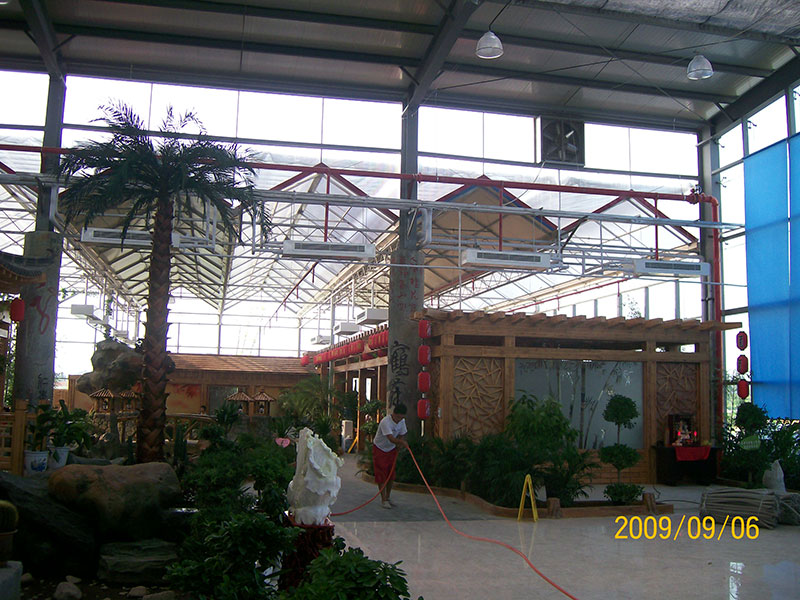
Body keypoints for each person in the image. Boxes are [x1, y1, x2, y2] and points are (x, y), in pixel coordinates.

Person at [372, 403, 408, 509]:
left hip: (391, 449)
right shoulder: (385, 422)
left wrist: (399, 444)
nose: (399, 420)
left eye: (402, 418)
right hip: (380, 448)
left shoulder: (402, 421)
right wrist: (401, 443)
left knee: (391, 474)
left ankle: (388, 497)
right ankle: (383, 499)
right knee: (381, 474)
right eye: (398, 417)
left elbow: (402, 433)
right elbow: (391, 438)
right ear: (394, 414)